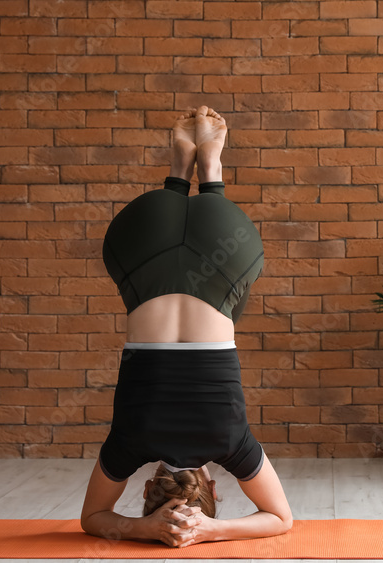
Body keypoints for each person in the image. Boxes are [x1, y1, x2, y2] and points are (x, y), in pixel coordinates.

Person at [80, 106, 293, 548]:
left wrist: (210, 531)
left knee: (230, 309)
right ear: (144, 488)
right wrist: (142, 528)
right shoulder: (127, 444)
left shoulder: (232, 443)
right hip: (143, 238)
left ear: (214, 488)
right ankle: (180, 169)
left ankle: (211, 172)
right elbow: (92, 519)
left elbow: (279, 518)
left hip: (224, 242)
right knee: (177, 295)